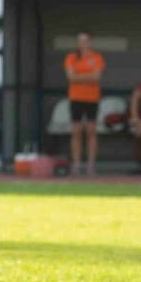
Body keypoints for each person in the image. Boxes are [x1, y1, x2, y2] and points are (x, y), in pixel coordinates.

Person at [63, 30, 105, 175]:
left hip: (92, 99)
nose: (83, 44)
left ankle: (91, 165)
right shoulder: (71, 57)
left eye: (85, 41)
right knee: (76, 132)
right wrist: (88, 76)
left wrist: (79, 75)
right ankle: (76, 164)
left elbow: (97, 77)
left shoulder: (97, 57)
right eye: (80, 41)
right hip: (76, 98)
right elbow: (70, 77)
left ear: (90, 42)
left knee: (91, 131)